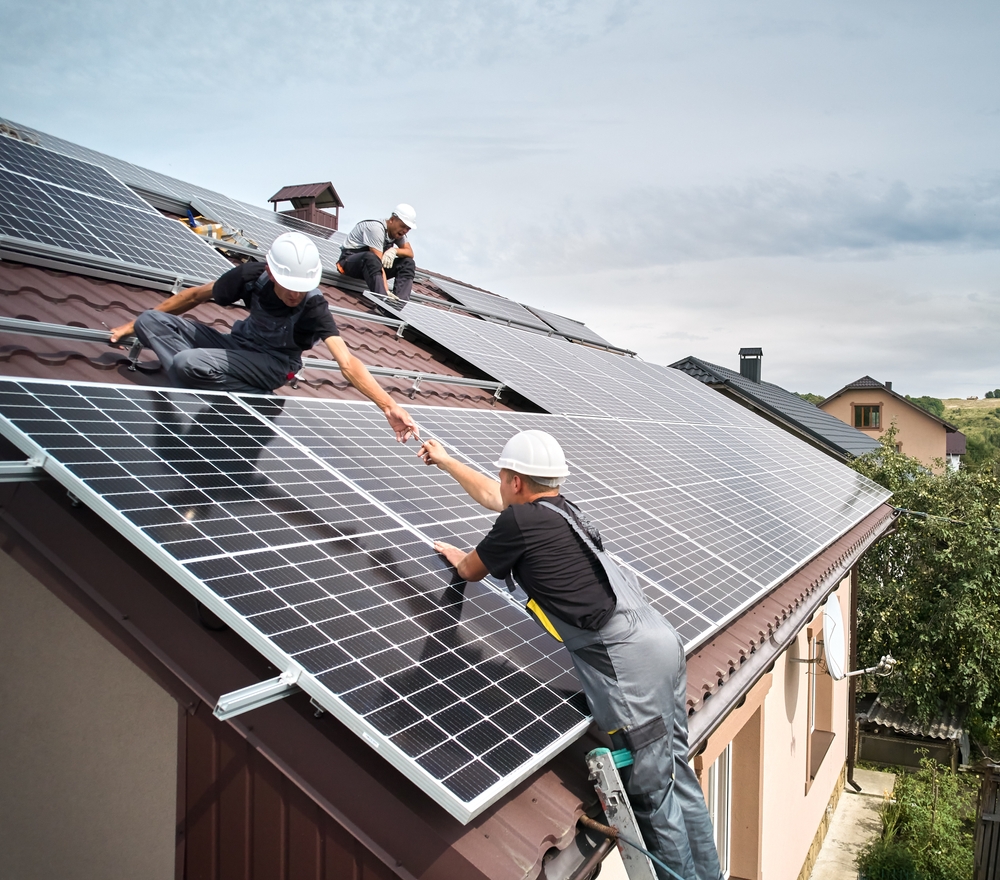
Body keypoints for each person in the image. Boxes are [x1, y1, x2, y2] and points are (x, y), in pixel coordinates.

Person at [417, 430, 723, 880]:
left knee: (653, 796)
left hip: (627, 662)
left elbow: (469, 570)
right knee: (678, 771)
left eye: (504, 477)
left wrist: (461, 557)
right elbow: (491, 495)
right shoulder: (561, 513)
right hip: (661, 642)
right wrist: (446, 461)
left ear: (517, 481)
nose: (499, 485)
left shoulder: (520, 524)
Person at [108, 231, 419, 443]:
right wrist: (133, 326)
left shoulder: (313, 305)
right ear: (271, 272)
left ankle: (205, 377)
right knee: (150, 320)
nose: (296, 293)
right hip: (237, 348)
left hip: (274, 364)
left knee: (186, 363)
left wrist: (388, 406)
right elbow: (195, 296)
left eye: (302, 286)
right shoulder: (248, 277)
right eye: (289, 285)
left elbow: (347, 361)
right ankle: (199, 374)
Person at [336, 204, 417, 303]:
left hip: (371, 270)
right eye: (403, 226)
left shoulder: (399, 233)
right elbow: (378, 262)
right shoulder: (376, 229)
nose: (405, 231)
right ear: (392, 220)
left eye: (408, 229)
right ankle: (382, 301)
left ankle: (398, 304)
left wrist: (394, 251)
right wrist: (385, 291)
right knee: (372, 258)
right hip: (350, 263)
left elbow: (410, 253)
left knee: (408, 263)